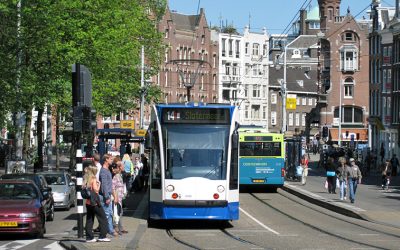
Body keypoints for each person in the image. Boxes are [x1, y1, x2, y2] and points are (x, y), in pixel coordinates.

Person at [83, 165, 110, 243]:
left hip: (88, 203)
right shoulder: (93, 179)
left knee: (89, 219)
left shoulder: (86, 179)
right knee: (103, 218)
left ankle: (89, 237)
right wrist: (99, 184)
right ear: (94, 171)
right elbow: (96, 190)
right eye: (96, 171)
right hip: (95, 202)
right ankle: (102, 236)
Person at [99, 154, 118, 237]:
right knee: (107, 214)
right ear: (106, 160)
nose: (112, 161)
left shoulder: (107, 170)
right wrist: (106, 197)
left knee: (109, 213)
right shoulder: (103, 171)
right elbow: (104, 185)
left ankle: (110, 230)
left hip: (108, 195)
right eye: (110, 159)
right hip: (105, 196)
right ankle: (105, 232)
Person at [111, 162, 128, 235]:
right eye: (122, 166)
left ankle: (119, 228)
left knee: (119, 212)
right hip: (117, 198)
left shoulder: (119, 175)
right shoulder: (115, 177)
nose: (123, 167)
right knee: (117, 213)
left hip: (120, 197)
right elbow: (112, 187)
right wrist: (115, 197)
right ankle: (116, 228)